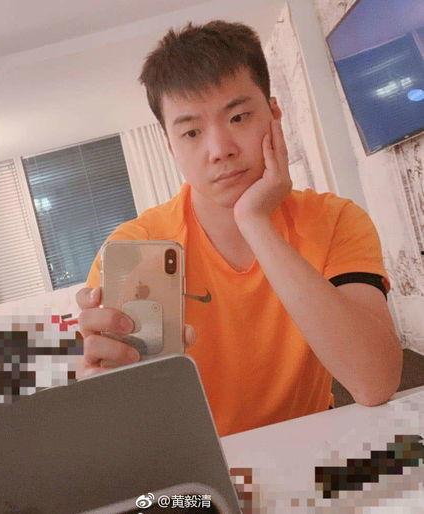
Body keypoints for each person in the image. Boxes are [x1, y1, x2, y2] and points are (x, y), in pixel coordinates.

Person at [75, 20, 402, 437]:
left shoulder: (335, 220)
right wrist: (97, 382)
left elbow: (375, 381)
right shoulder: (139, 246)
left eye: (239, 117)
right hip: (199, 464)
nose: (219, 150)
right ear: (170, 145)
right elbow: (127, 427)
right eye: (191, 132)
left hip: (314, 448)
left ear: (275, 115)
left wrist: (255, 222)